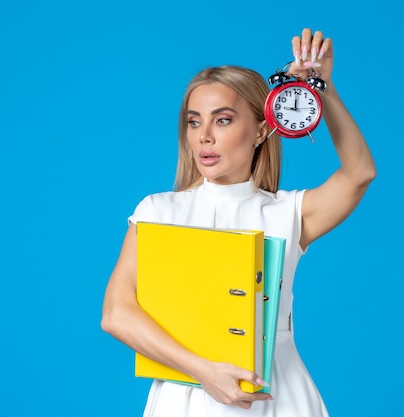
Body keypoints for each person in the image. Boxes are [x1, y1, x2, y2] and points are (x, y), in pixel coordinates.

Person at [101, 28, 376, 416]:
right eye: (194, 122)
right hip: (186, 396)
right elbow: (116, 313)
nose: (204, 137)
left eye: (224, 120)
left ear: (262, 129)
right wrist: (202, 372)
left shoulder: (288, 213)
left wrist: (320, 86)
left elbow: (359, 173)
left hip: (277, 395)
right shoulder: (157, 211)